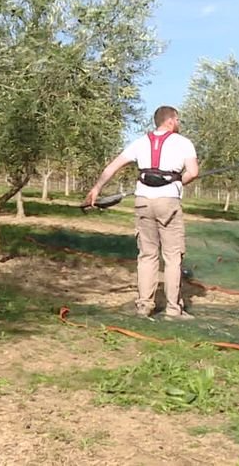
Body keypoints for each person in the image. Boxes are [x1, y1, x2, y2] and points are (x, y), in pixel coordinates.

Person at [84, 106, 199, 320]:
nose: (179, 122)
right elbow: (193, 172)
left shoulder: (140, 142)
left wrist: (96, 189)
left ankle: (144, 305)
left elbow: (112, 167)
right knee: (173, 256)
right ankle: (174, 309)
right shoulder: (183, 143)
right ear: (171, 121)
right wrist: (176, 182)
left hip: (143, 201)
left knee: (147, 254)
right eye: (178, 119)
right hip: (168, 202)